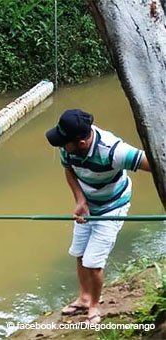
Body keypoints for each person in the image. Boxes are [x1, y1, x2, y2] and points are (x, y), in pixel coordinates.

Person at [45, 109, 151, 325]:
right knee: (79, 252)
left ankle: (94, 306)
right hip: (87, 205)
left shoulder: (113, 151)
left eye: (64, 142)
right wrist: (80, 200)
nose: (61, 146)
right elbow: (69, 170)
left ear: (81, 142)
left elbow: (154, 163)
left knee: (93, 262)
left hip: (113, 206)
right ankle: (84, 298)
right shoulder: (67, 147)